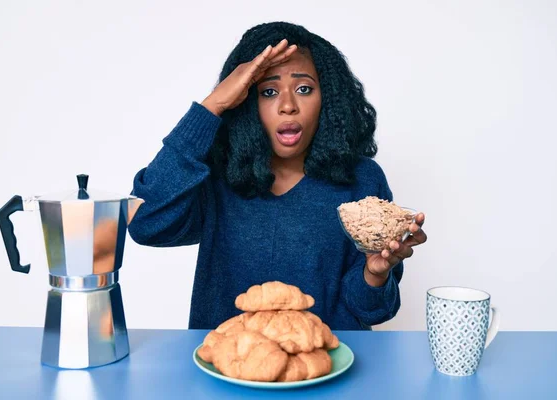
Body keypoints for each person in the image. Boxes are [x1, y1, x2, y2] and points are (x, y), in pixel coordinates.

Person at [128, 21, 427, 331]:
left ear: (328, 99)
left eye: (304, 89)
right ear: (245, 101)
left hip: (326, 368)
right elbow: (145, 223)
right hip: (227, 369)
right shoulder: (215, 177)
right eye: (268, 91)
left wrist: (375, 275)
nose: (287, 106)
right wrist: (212, 105)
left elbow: (371, 311)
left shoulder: (362, 180)